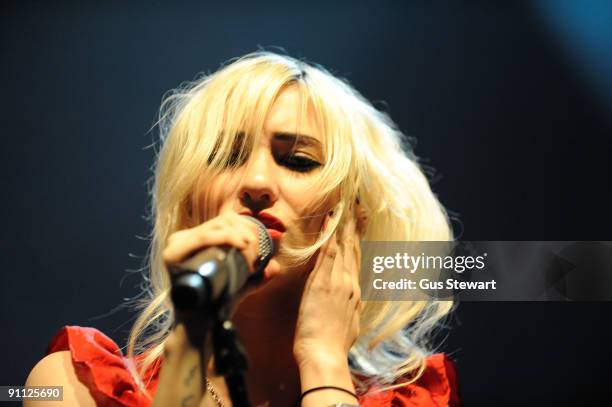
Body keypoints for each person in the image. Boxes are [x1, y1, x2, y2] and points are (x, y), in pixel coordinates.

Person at [26, 51, 460, 406]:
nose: (255, 183)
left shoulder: (416, 400)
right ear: (191, 200)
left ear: (354, 217)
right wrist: (192, 339)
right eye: (227, 157)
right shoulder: (75, 388)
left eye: (298, 161)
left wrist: (324, 365)